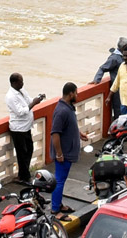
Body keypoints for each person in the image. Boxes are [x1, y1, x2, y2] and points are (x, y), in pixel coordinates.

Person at [6, 73, 46, 184]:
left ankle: (23, 174)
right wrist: (34, 103)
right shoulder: (10, 96)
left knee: (29, 149)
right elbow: (20, 112)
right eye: (20, 82)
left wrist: (38, 98)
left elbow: (29, 101)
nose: (22, 83)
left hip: (26, 126)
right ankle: (24, 176)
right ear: (14, 83)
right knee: (22, 153)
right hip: (18, 128)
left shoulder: (22, 91)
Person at [50, 82, 83, 215]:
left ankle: (58, 204)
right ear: (70, 94)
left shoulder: (68, 107)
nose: (77, 95)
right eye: (76, 93)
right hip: (64, 154)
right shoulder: (61, 111)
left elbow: (70, 126)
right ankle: (55, 209)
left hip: (68, 152)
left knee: (61, 180)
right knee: (59, 181)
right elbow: (55, 133)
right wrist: (59, 153)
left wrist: (79, 134)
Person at [92, 37, 127, 118]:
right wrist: (97, 79)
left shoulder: (125, 55)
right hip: (117, 88)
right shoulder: (114, 58)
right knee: (118, 109)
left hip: (126, 87)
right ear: (123, 47)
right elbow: (103, 68)